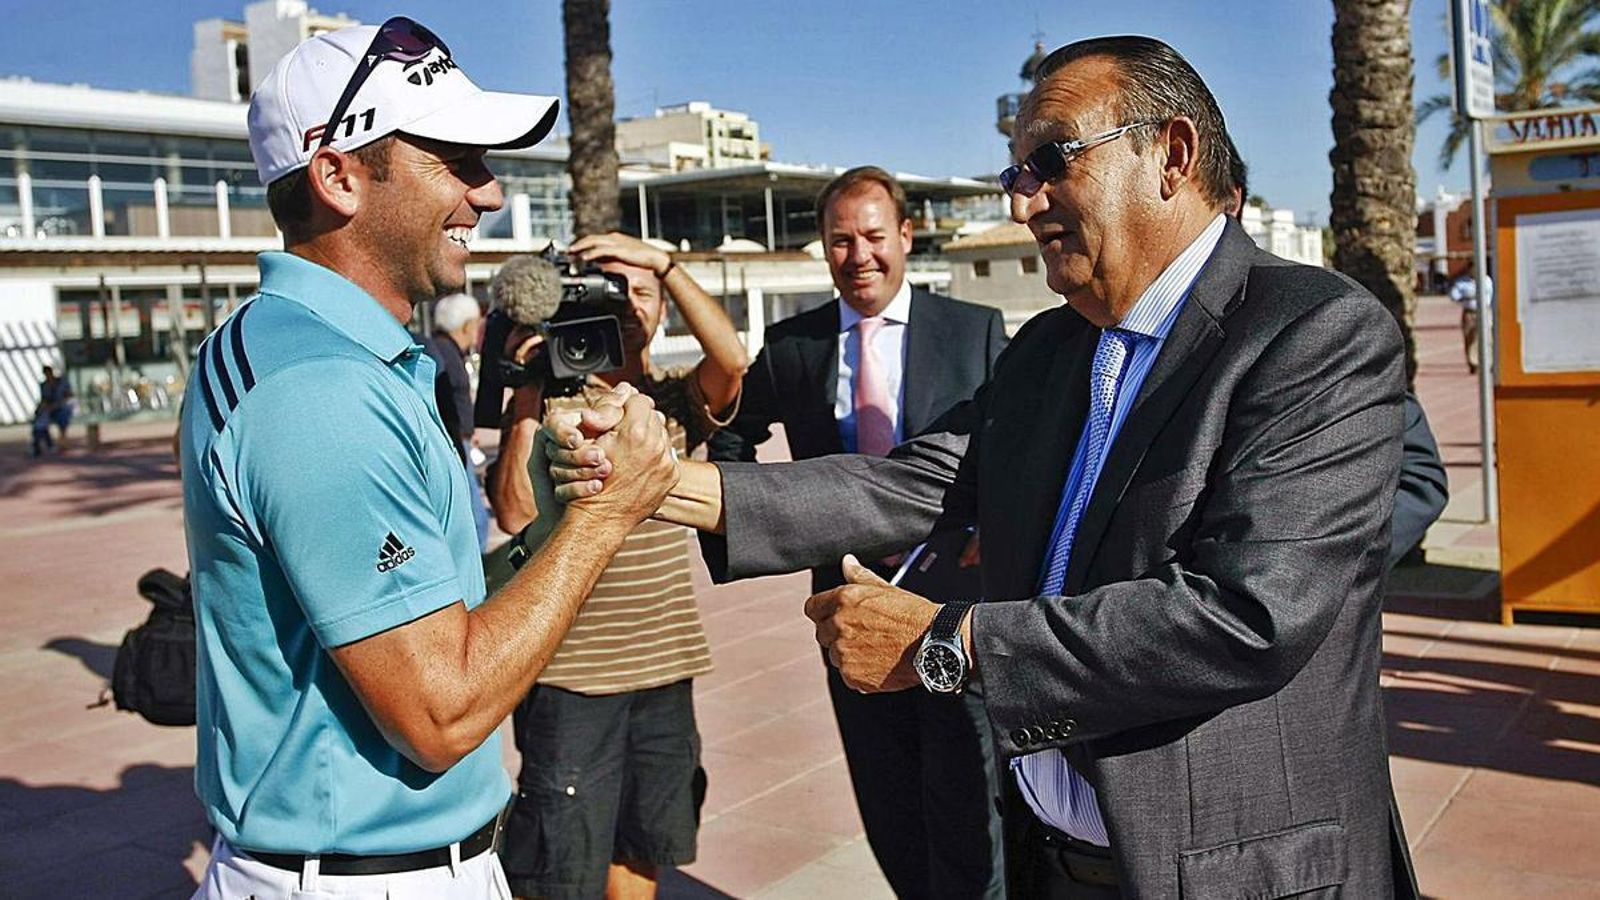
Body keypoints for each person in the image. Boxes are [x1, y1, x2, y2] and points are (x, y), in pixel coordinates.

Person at [553, 36, 1421, 897]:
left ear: (1174, 153)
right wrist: (662, 483)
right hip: (1057, 863)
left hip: (1234, 875)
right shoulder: (1050, 347)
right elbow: (911, 481)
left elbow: (1247, 614)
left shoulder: (1315, 334)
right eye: (1015, 176)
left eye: (1051, 160)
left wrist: (946, 643)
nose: (1023, 203)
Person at [178, 19, 677, 899]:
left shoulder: (307, 349)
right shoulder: (320, 389)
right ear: (337, 176)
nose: (487, 194)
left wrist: (557, 516)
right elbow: (440, 710)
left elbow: (434, 612)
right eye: (454, 159)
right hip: (368, 878)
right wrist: (606, 518)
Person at [704, 165, 1008, 899]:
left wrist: (995, 530)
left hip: (952, 606)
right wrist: (765, 530)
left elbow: (1012, 444)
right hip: (845, 609)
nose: (859, 255)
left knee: (970, 801)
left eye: (874, 236)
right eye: (841, 240)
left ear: (905, 236)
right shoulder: (795, 345)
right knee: (888, 802)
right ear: (823, 248)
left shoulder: (974, 332)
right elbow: (731, 437)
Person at [486, 230, 746, 900]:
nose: (630, 303)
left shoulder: (674, 402)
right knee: (561, 859)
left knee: (645, 842)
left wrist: (665, 262)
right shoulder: (550, 403)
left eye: (643, 292)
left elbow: (733, 358)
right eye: (613, 288)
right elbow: (514, 514)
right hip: (569, 673)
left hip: (664, 664)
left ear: (662, 309)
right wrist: (527, 390)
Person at [1226, 148, 1447, 567]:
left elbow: (1418, 475)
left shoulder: (1315, 318)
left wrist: (1328, 566)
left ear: (1231, 200)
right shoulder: (1093, 331)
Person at [423, 291, 491, 551]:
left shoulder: (445, 350)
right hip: (453, 445)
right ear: (466, 326)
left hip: (458, 439)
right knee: (476, 520)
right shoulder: (444, 353)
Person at [1448, 264, 1492, 374]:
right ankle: (1472, 363)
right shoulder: (1462, 282)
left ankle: (1485, 362)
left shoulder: (1486, 280)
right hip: (1469, 312)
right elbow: (1454, 296)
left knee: (1485, 337)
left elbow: (1490, 295)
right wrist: (1467, 296)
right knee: (1470, 337)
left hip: (1484, 311)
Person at [31, 365, 74, 456]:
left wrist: (58, 404)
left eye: (49, 373)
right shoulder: (44, 385)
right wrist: (41, 408)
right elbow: (44, 399)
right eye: (46, 374)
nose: (48, 375)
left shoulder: (62, 382)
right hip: (50, 409)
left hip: (62, 407)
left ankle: (50, 444)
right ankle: (39, 444)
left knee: (63, 415)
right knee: (39, 423)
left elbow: (69, 396)